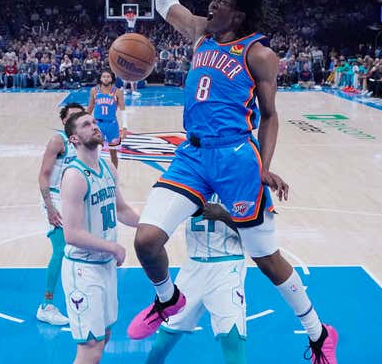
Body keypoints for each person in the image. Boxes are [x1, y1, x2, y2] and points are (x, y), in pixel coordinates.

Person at [127, 0, 338, 364]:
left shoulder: (260, 55)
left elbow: (271, 115)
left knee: (266, 258)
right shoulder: (201, 32)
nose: (212, 3)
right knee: (147, 239)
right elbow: (167, 0)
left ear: (237, 13)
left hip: (236, 156)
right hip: (192, 154)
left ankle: (318, 333)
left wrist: (264, 166)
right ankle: (167, 299)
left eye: (220, 1)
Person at [60, 111, 139, 364]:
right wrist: (112, 247)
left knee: (103, 338)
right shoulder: (74, 176)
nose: (94, 126)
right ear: (73, 139)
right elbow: (71, 234)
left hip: (104, 267)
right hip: (83, 270)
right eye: (86, 125)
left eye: (94, 122)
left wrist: (154, 225)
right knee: (91, 347)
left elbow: (123, 210)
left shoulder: (107, 167)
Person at [146, 195, 248, 364]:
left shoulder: (241, 182)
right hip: (192, 267)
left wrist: (223, 216)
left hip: (227, 267)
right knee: (161, 343)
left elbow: (256, 232)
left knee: (232, 342)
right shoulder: (192, 180)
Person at [36, 102, 85, 326]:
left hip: (73, 199)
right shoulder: (58, 140)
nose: (77, 120)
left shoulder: (83, 142)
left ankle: (78, 296)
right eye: (72, 117)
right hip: (55, 198)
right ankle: (46, 304)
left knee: (77, 249)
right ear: (64, 121)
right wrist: (49, 207)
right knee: (61, 249)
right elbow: (43, 175)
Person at [87, 71, 127, 169]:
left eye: (108, 76)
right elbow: (90, 107)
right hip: (98, 124)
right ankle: (96, 174)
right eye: (103, 76)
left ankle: (114, 176)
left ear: (111, 78)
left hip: (112, 125)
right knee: (96, 152)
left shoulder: (117, 92)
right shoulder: (94, 90)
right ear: (100, 78)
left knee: (113, 153)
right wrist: (83, 122)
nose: (105, 78)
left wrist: (125, 127)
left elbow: (123, 110)